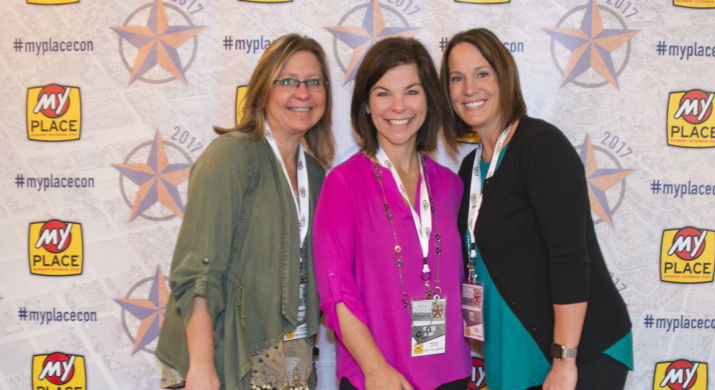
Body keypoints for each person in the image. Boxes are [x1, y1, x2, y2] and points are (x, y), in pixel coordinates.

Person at [441, 28, 633, 390]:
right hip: (512, 349)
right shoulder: (470, 169)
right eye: (456, 78)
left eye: (482, 73)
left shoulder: (541, 147)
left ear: (504, 77)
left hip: (578, 353)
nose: (469, 89)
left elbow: (570, 258)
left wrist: (564, 360)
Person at [155, 34, 335, 390]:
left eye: (313, 82)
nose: (302, 93)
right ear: (263, 90)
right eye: (287, 81)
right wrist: (202, 367)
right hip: (225, 355)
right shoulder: (231, 156)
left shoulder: (316, 175)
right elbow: (199, 272)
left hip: (291, 356)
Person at [313, 37, 472, 390]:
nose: (399, 106)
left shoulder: (451, 186)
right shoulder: (343, 184)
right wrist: (375, 369)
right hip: (378, 378)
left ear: (429, 99)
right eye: (384, 93)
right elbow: (337, 293)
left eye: (411, 91)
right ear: (366, 105)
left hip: (450, 374)